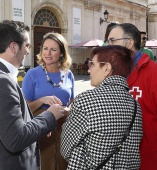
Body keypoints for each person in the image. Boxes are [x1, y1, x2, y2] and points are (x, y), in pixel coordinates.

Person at [61, 45, 143, 169]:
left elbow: (66, 148)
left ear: (106, 68)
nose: (89, 70)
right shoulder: (135, 105)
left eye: (92, 64)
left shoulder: (86, 101)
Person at [0, 20, 65, 170]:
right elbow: (15, 139)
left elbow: (11, 122)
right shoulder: (3, 81)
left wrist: (40, 125)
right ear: (14, 47)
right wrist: (49, 116)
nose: (29, 51)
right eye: (27, 45)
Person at [107, 23, 157, 170]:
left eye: (112, 41)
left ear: (129, 43)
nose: (107, 45)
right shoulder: (108, 73)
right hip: (115, 162)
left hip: (148, 160)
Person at [22, 32, 74, 170]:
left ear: (62, 53)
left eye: (53, 49)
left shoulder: (69, 74)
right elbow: (24, 108)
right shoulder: (31, 74)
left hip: (64, 132)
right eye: (45, 48)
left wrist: (68, 110)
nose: (48, 53)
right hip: (41, 132)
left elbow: (72, 102)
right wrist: (42, 100)